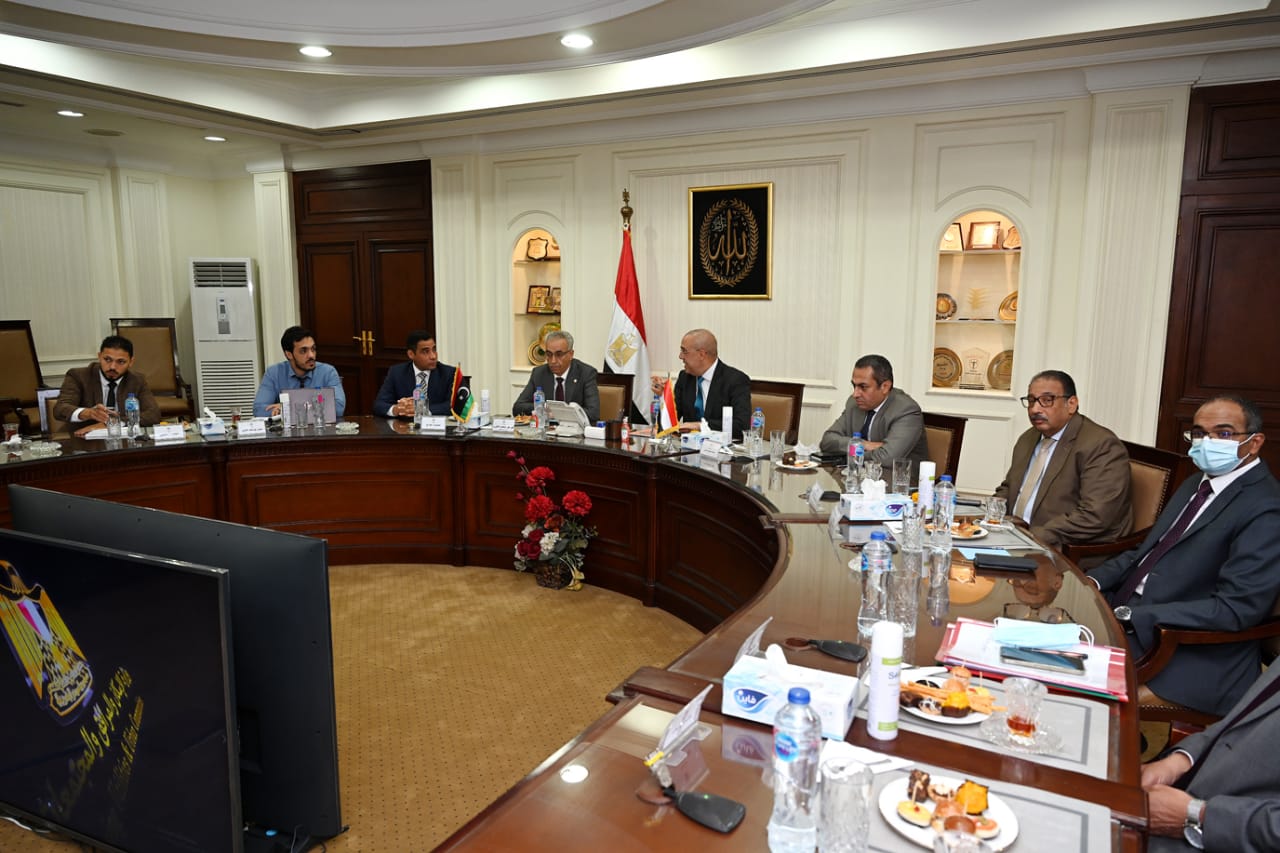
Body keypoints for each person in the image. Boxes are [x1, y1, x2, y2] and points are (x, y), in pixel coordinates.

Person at [1088, 394, 1280, 716]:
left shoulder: (1266, 507)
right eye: (1200, 433)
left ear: (1255, 442)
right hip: (1127, 616)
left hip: (1184, 649)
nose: (1208, 443)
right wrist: (1091, 581)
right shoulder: (1196, 483)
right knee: (1029, 649)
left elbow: (1236, 609)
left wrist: (1134, 615)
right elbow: (1147, 551)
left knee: (1064, 687)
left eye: (1223, 433)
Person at [1140, 663, 1280, 852]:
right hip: (1186, 795)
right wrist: (1180, 762)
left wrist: (1198, 816)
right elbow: (1239, 721)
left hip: (1218, 836)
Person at [993, 370, 1132, 550]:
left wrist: (1032, 537)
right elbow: (1009, 488)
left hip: (1066, 550)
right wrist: (988, 518)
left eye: (1047, 400)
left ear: (1071, 404)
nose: (1035, 409)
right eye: (1032, 400)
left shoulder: (1101, 445)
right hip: (1013, 538)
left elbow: (1095, 515)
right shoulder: (1028, 438)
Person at [818, 354, 929, 478]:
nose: (855, 394)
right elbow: (827, 441)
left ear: (885, 387)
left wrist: (851, 454)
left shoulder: (906, 409)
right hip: (859, 480)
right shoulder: (854, 404)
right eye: (854, 386)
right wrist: (863, 444)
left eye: (863, 387)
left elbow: (887, 458)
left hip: (898, 484)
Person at [54, 335, 161, 435]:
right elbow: (60, 409)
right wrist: (89, 413)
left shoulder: (137, 380)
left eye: (121, 362)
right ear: (99, 356)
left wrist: (112, 424)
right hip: (82, 437)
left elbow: (153, 414)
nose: (112, 367)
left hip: (121, 439)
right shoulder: (79, 376)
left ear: (131, 362)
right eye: (107, 359)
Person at [672, 329, 751, 441]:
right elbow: (671, 419)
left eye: (684, 351)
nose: (680, 356)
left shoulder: (735, 380)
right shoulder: (685, 377)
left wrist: (700, 426)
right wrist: (663, 397)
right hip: (688, 447)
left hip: (721, 448)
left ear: (701, 354)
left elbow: (742, 425)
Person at [253, 326, 346, 418]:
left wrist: (288, 407)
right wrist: (313, 406)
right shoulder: (274, 373)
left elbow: (338, 408)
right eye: (303, 351)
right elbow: (259, 409)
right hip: (287, 428)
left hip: (319, 426)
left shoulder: (328, 372)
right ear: (289, 354)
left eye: (313, 349)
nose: (311, 355)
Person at [512, 330, 600, 422]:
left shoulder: (586, 373)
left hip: (574, 429)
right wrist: (544, 408)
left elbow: (593, 413)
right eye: (549, 354)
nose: (553, 361)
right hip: (546, 429)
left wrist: (559, 411)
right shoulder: (539, 373)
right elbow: (518, 408)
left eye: (559, 355)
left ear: (571, 354)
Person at [373, 331, 459, 418]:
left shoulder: (450, 373)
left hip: (437, 425)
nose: (433, 356)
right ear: (411, 354)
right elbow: (380, 404)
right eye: (426, 351)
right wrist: (397, 409)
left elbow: (457, 405)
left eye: (434, 349)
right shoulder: (397, 373)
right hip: (405, 425)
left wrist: (422, 409)